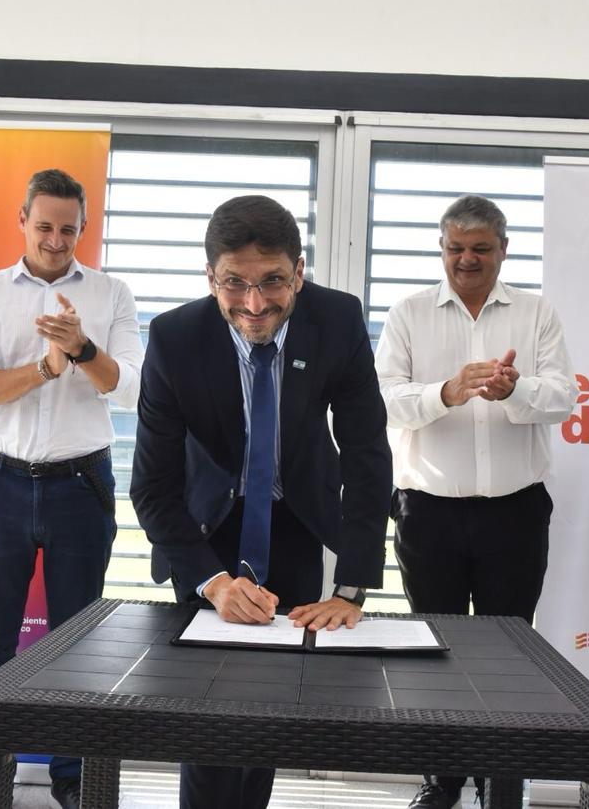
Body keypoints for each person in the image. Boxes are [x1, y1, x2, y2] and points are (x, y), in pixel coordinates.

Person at [130, 194, 392, 809]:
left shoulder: (338, 320)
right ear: (210, 278)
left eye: (273, 281)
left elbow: (367, 457)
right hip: (206, 531)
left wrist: (351, 588)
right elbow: (153, 487)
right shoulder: (174, 338)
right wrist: (212, 582)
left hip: (294, 522)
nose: (254, 304)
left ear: (299, 271)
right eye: (235, 284)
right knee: (209, 720)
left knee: (270, 710)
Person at [374, 194, 577, 809]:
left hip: (515, 512)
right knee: (432, 652)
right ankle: (441, 783)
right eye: (456, 248)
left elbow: (562, 398)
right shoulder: (408, 313)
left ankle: (500, 785)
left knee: (508, 658)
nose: (467, 259)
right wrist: (446, 392)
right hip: (427, 511)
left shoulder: (537, 313)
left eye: (480, 249)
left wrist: (515, 390)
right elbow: (382, 399)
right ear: (441, 249)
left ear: (503, 251)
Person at [0, 168, 143, 809]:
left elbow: (131, 388)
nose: (56, 241)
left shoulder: (112, 294)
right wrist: (45, 366)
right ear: (22, 221)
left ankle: (74, 782)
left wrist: (82, 349)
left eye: (68, 229)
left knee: (79, 645)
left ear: (83, 227)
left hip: (81, 485)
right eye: (44, 227)